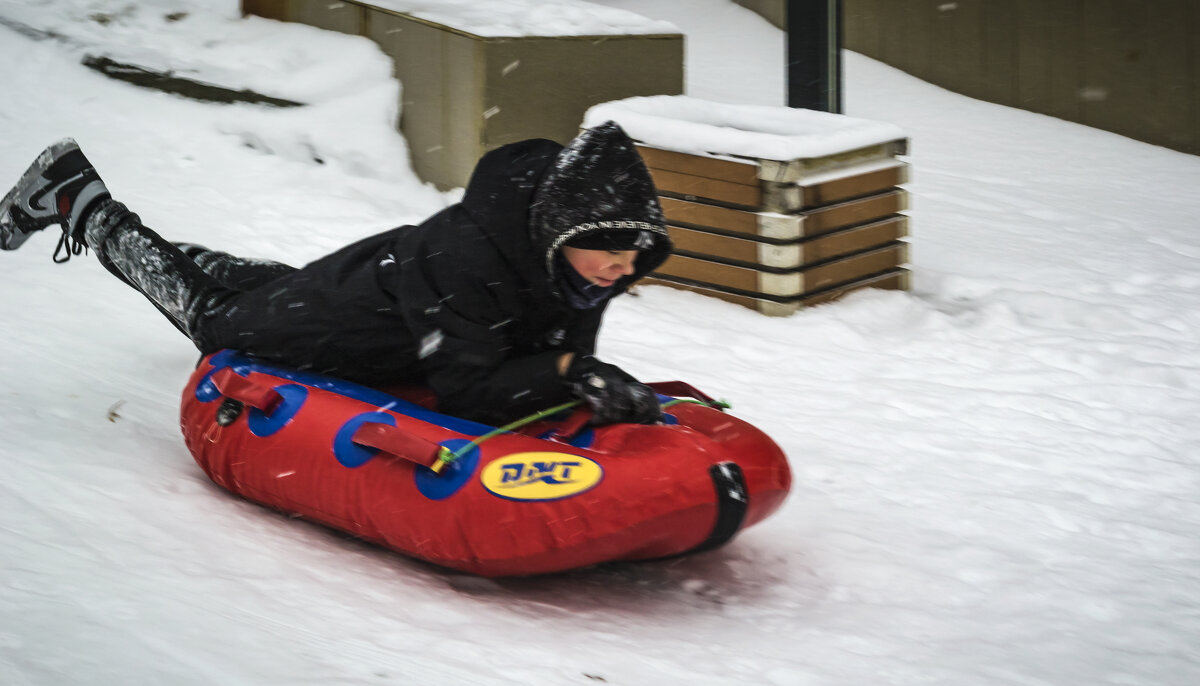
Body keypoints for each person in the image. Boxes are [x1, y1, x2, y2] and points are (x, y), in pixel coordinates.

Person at [0, 121, 673, 426]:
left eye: (636, 252)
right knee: (215, 321)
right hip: (353, 319)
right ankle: (76, 200)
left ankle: (207, 263)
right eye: (610, 248)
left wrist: (578, 375)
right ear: (563, 229)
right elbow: (466, 388)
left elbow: (555, 352)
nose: (624, 266)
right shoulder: (476, 260)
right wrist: (561, 374)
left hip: (383, 290)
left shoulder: (583, 265)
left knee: (288, 293)